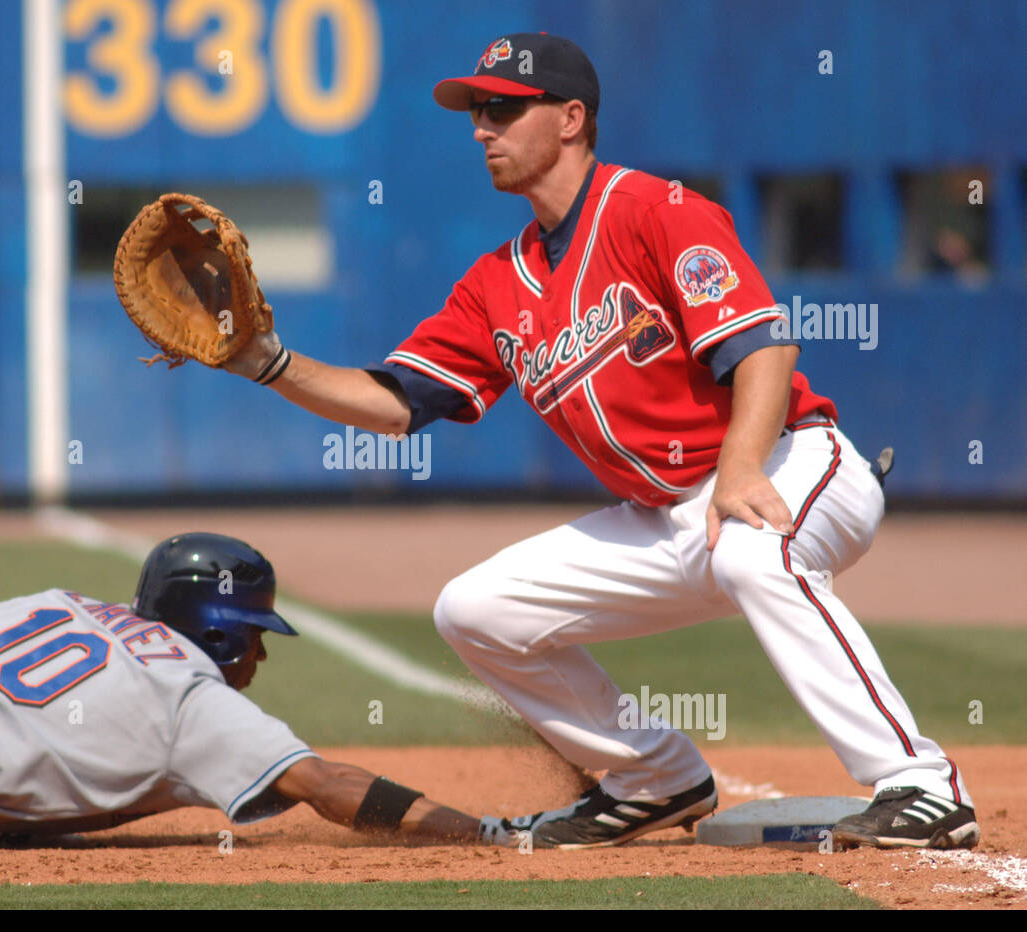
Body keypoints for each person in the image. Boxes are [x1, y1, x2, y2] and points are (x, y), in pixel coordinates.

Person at [221, 33, 978, 851]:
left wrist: (740, 467)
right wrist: (269, 363)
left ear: (571, 118)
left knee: (754, 554)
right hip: (669, 515)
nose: (482, 127)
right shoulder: (495, 283)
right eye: (478, 110)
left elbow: (763, 346)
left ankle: (922, 785)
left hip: (792, 463)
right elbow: (398, 403)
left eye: (504, 109)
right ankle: (654, 779)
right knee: (474, 610)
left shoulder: (657, 210)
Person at [0, 533, 487, 850]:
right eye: (254, 632)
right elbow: (329, 785)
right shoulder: (195, 700)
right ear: (218, 630)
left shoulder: (62, 601)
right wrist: (482, 835)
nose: (259, 652)